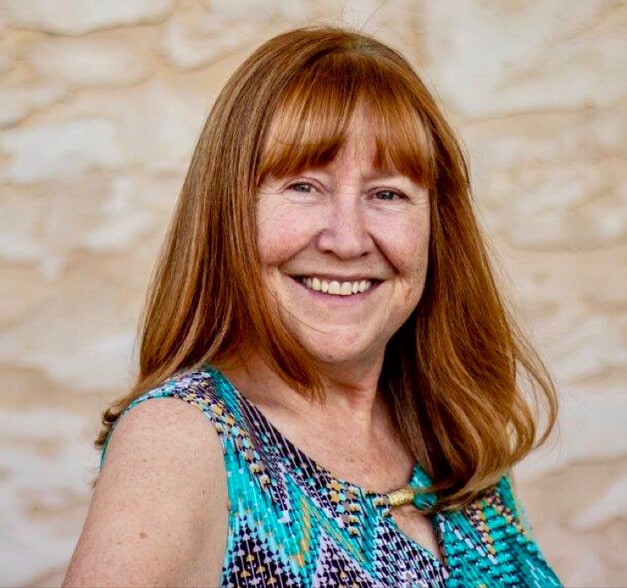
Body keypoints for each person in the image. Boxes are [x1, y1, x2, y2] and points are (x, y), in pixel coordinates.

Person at [63, 26, 562, 587]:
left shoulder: (452, 436)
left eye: (387, 193)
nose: (346, 241)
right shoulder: (182, 441)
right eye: (303, 186)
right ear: (229, 213)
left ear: (436, 228)